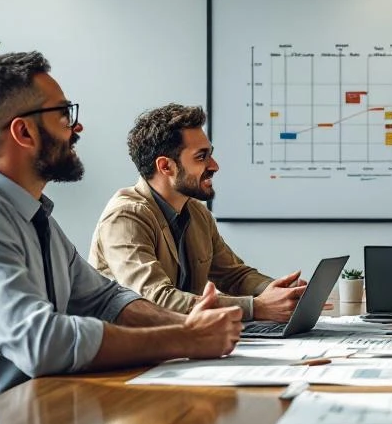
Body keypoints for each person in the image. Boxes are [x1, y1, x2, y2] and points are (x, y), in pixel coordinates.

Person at [0, 52, 243, 424]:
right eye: (64, 115)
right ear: (24, 132)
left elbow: (106, 299)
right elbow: (42, 343)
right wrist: (184, 340)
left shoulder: (29, 214)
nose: (76, 129)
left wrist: (185, 328)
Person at [89, 103, 305, 321]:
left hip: (182, 341)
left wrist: (281, 291)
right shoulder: (125, 217)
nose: (215, 166)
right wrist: (255, 307)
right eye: (201, 157)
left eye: (210, 155)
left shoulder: (196, 213)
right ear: (165, 166)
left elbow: (234, 275)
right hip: (133, 347)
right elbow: (156, 299)